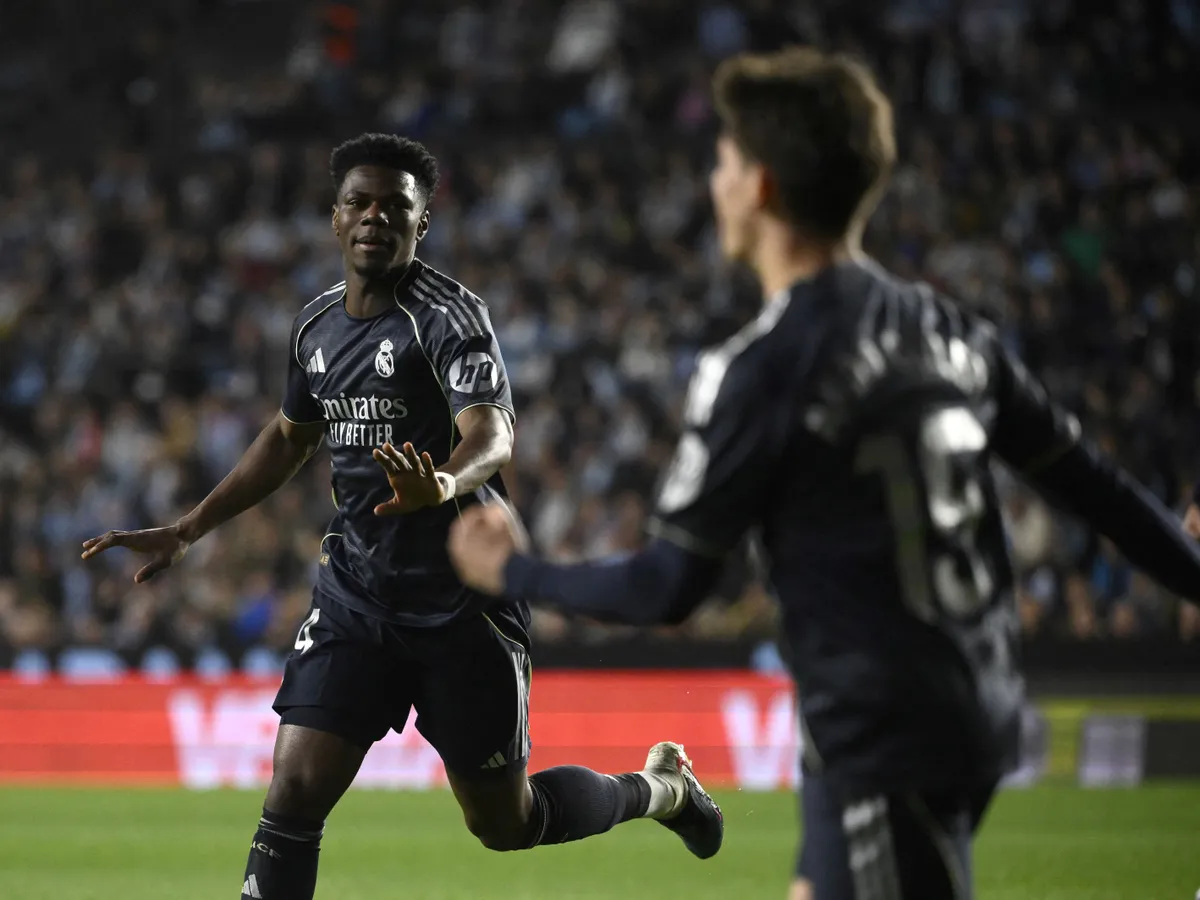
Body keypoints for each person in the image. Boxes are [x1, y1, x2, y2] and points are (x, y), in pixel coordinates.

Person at [447, 50, 1200, 900]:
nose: (714, 181)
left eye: (725, 162)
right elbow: (1098, 490)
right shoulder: (953, 332)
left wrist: (511, 571)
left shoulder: (766, 367)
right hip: (958, 703)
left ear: (763, 185)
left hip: (884, 731)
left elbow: (668, 586)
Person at [82, 133, 722, 900]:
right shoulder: (315, 328)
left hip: (461, 606)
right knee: (293, 795)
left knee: (505, 824)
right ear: (334, 218)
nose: (375, 218)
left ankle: (664, 790)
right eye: (359, 203)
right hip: (357, 595)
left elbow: (493, 429)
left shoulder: (449, 315)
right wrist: (190, 526)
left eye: (396, 207)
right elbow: (290, 437)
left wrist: (446, 482)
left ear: (425, 224)